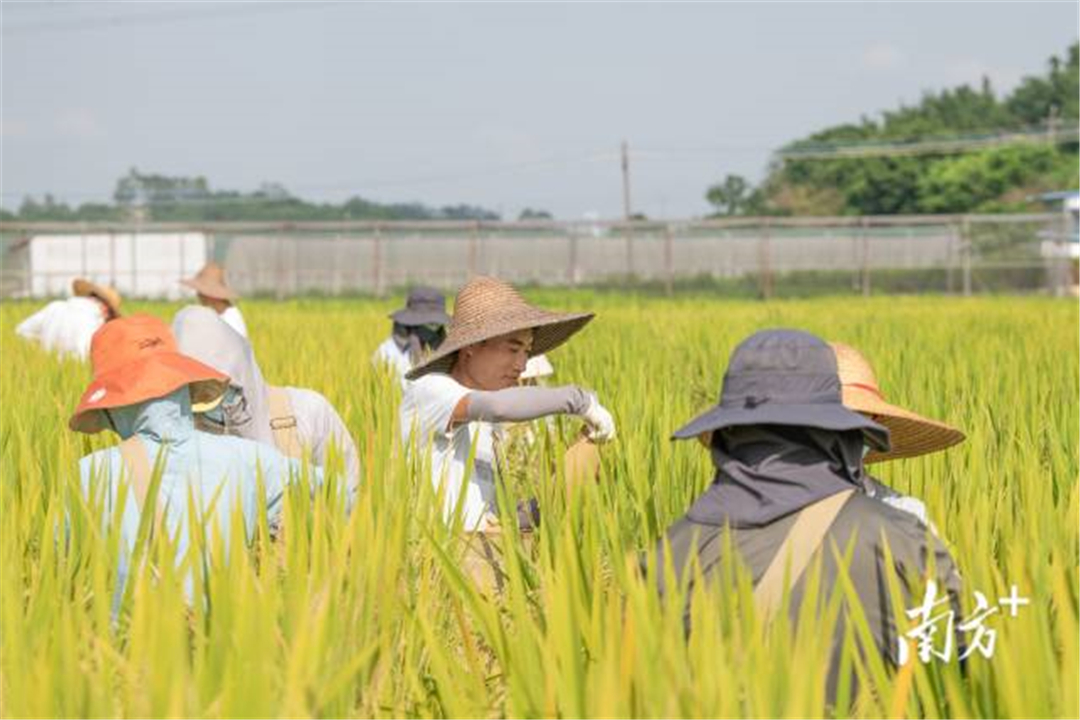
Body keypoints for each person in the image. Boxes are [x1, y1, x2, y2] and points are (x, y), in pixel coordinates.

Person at [652, 329, 963, 700]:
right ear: (842, 434)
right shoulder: (900, 536)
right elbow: (966, 653)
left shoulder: (670, 551)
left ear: (727, 434)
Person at [72, 315, 323, 609]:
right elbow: (337, 492)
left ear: (111, 410)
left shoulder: (88, 474)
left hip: (124, 645)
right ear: (184, 390)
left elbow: (64, 569)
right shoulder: (251, 458)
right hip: (232, 642)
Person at [400, 276, 616, 532]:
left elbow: (496, 521)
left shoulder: (487, 429)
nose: (522, 365)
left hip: (479, 562)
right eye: (513, 350)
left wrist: (553, 498)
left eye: (527, 352)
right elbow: (497, 407)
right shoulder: (431, 390)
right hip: (436, 562)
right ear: (470, 347)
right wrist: (579, 400)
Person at [172, 305, 360, 495]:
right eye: (193, 389)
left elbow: (352, 495)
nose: (208, 396)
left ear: (240, 366)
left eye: (217, 384)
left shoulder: (307, 412)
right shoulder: (168, 441)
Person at [832, 341, 966, 529]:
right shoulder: (778, 513)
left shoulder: (906, 516)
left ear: (874, 426)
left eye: (857, 421)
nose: (842, 434)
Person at [15, 278, 121, 360]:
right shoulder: (95, 323)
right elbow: (86, 357)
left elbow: (21, 330)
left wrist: (40, 352)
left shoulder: (54, 307)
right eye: (109, 316)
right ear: (105, 308)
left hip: (44, 372)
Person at [372, 286, 451, 386]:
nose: (435, 326)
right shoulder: (388, 353)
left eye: (437, 322)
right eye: (429, 322)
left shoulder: (450, 350)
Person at [181, 262, 248, 338]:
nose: (198, 296)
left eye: (200, 293)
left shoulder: (230, 319)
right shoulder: (217, 316)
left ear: (210, 296)